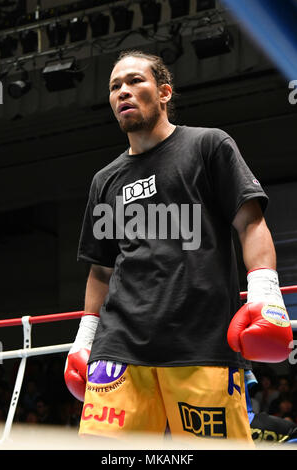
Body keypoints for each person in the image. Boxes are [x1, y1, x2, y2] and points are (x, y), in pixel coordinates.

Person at [64, 49, 293, 443]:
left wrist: (266, 295)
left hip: (200, 344)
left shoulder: (208, 146)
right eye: (115, 86)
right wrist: (85, 338)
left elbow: (251, 223)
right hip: (118, 352)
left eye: (136, 81)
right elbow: (100, 269)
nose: (123, 91)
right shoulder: (105, 180)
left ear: (165, 92)